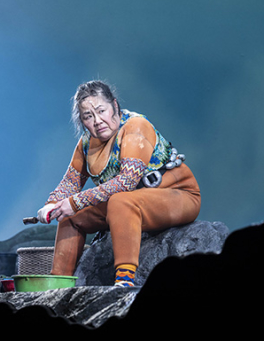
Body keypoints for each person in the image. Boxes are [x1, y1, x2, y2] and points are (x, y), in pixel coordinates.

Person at [36, 80, 201, 287]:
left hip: (178, 194)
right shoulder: (86, 143)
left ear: (114, 105)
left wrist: (75, 201)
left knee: (119, 201)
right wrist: (53, 204)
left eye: (101, 111)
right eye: (88, 116)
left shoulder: (135, 126)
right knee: (69, 216)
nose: (97, 121)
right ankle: (57, 284)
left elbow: (127, 182)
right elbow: (71, 182)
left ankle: (125, 280)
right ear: (82, 121)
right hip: (132, 202)